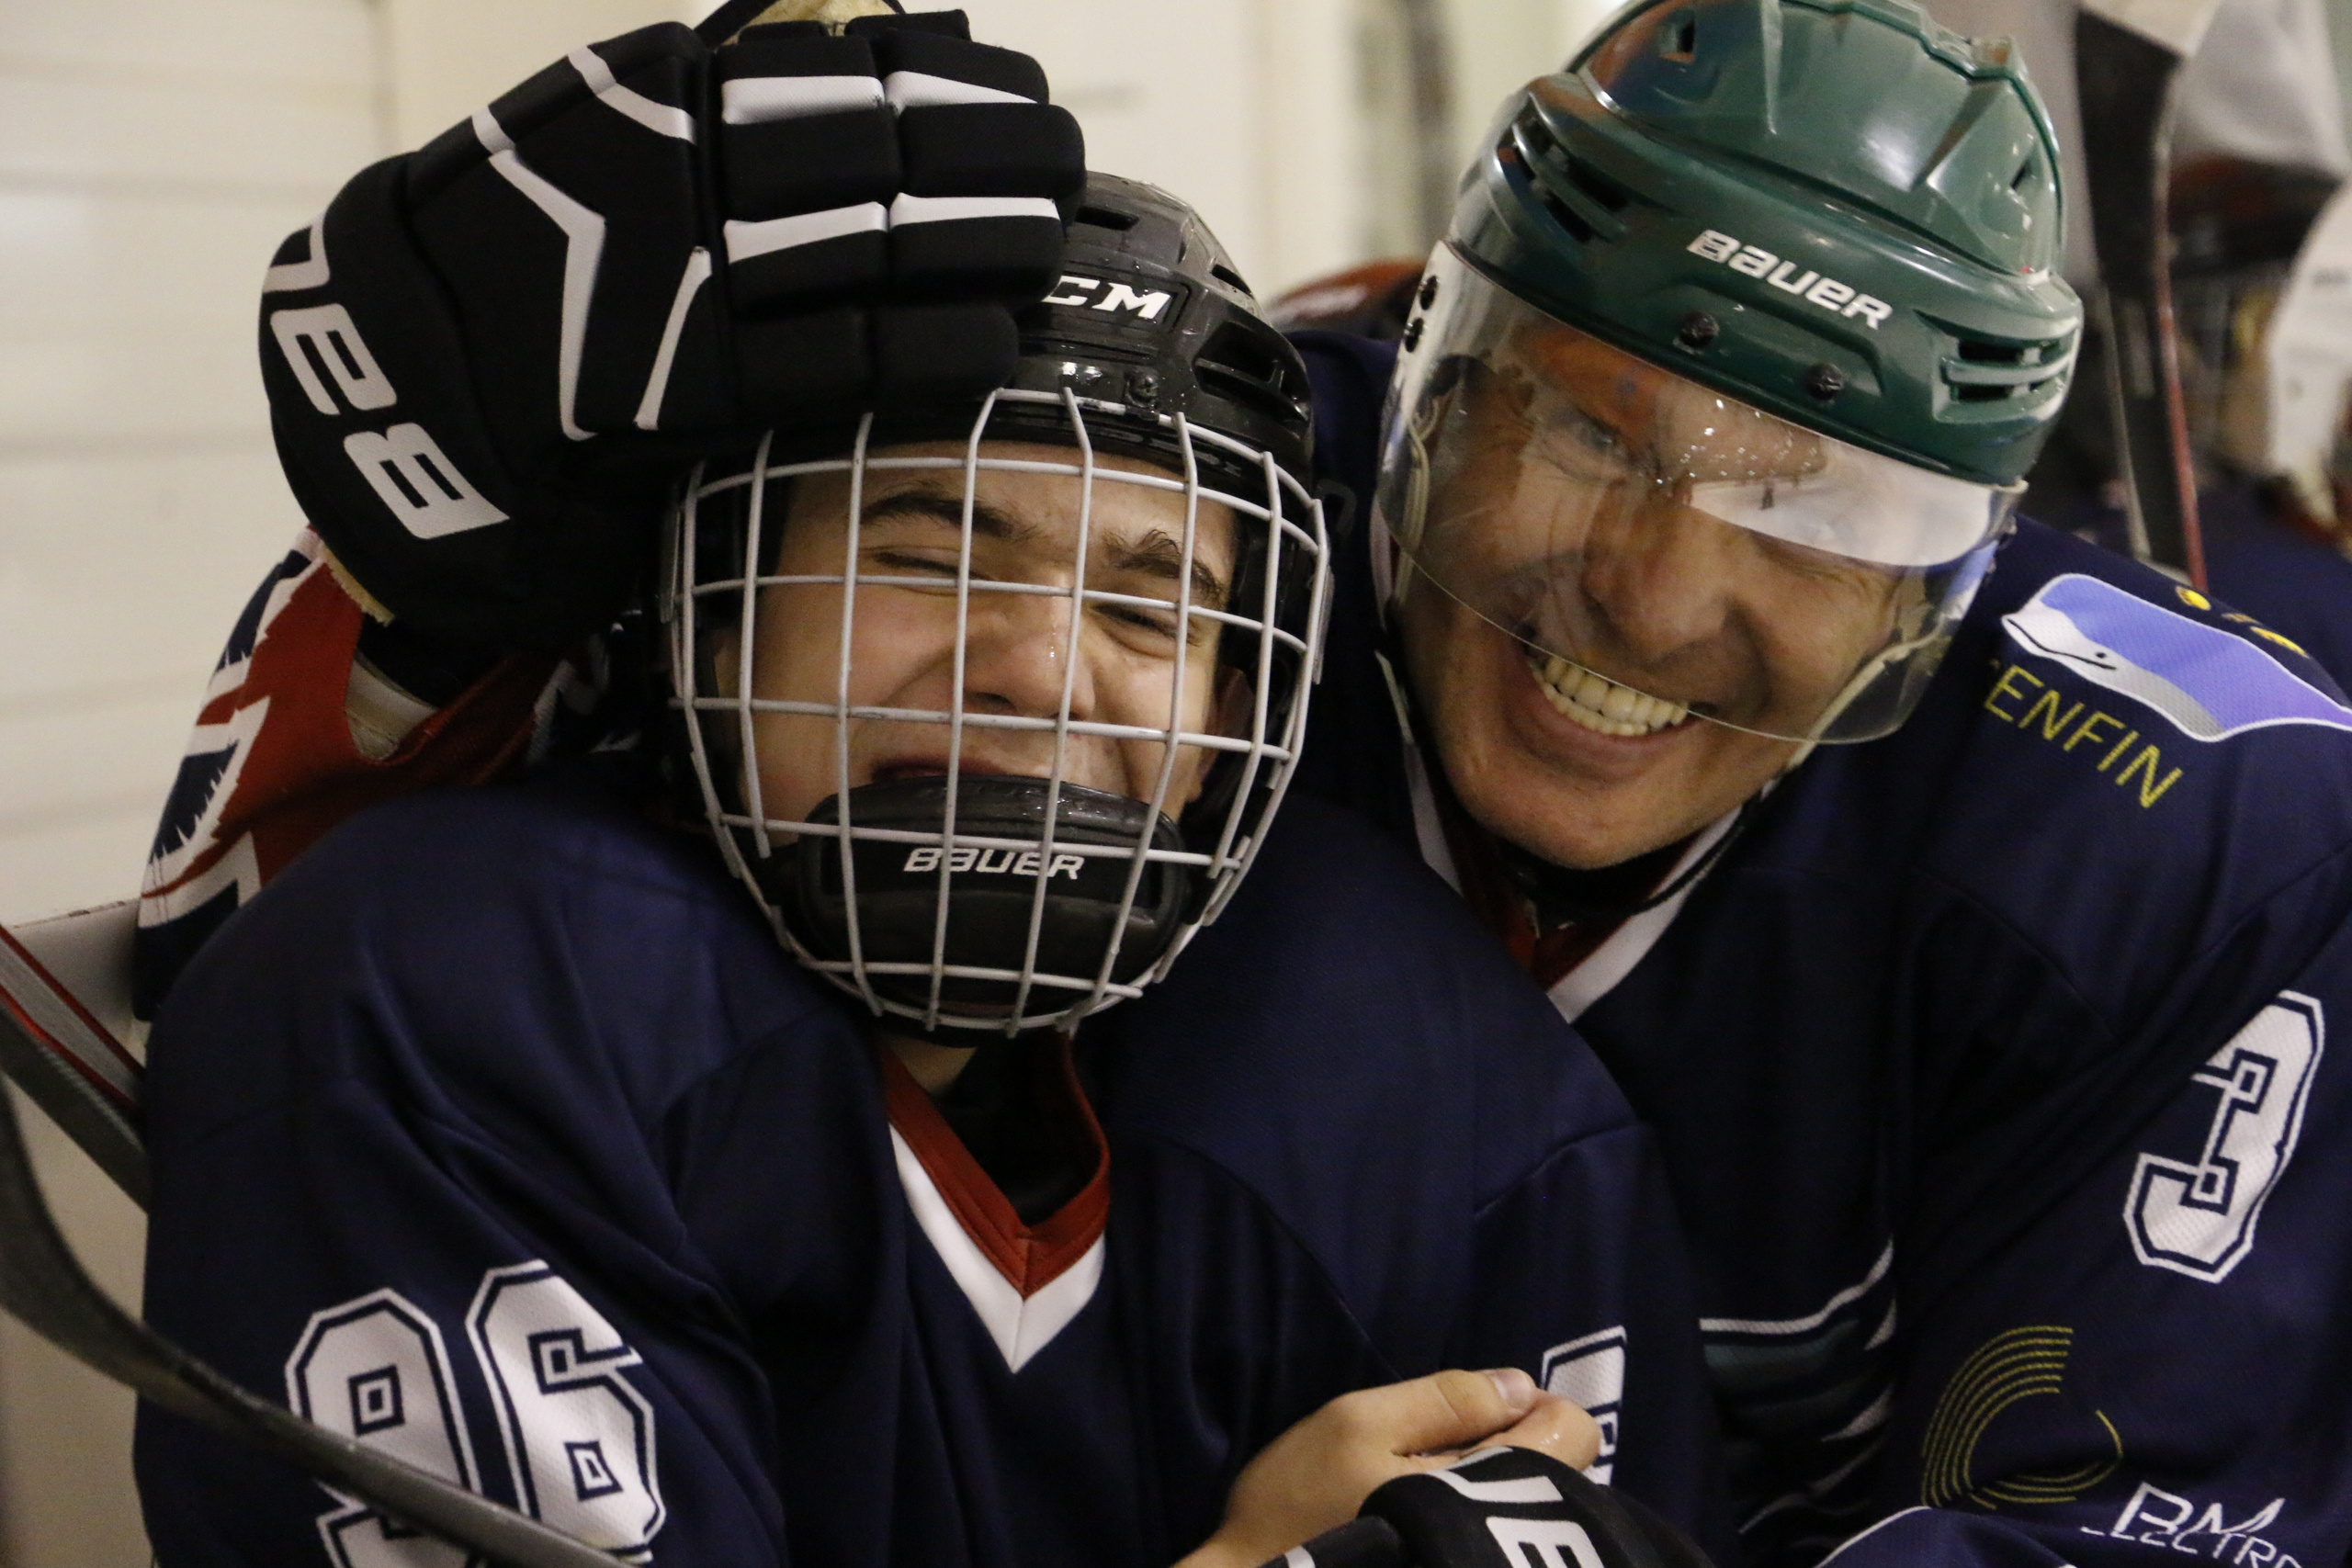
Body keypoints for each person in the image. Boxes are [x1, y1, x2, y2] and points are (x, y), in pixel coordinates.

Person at [136, 2, 2352, 1566]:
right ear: (1420, 370)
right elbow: (326, 939)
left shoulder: (2197, 830)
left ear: (1939, 577)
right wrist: (441, 575)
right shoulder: (1182, 462)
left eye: (1817, 511)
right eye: (1584, 427)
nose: (1652, 590)